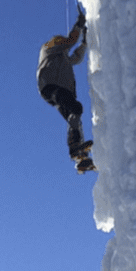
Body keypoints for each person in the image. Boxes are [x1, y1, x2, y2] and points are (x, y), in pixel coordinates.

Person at [37, 10, 93, 170]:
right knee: (75, 108)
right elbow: (70, 41)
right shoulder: (48, 48)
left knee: (74, 116)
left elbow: (75, 57)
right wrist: (79, 25)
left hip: (54, 89)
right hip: (51, 86)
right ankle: (77, 148)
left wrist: (84, 44)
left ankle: (80, 156)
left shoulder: (61, 56)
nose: (63, 44)